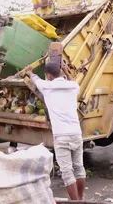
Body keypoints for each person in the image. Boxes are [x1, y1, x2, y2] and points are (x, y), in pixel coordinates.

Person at [25, 62, 86, 201]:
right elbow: (73, 82)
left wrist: (29, 72)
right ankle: (81, 199)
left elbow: (34, 78)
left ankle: (75, 202)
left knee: (67, 172)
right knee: (79, 168)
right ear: (60, 73)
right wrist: (66, 70)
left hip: (61, 136)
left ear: (49, 76)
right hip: (76, 133)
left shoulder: (47, 86)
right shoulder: (72, 86)